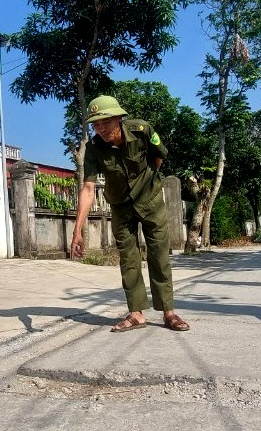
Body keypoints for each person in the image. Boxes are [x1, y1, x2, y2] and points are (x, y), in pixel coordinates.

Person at [70, 95, 190, 333]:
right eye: (96, 124)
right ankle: (136, 314)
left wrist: (149, 181)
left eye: (105, 121)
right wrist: (77, 231)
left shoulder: (142, 130)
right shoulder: (93, 149)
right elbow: (88, 188)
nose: (101, 128)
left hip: (150, 201)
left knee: (159, 256)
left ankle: (169, 312)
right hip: (120, 207)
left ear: (118, 118)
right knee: (128, 259)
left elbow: (159, 155)